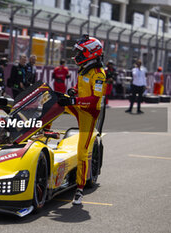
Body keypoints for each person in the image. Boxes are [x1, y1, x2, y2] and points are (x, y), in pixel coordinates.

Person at [57, 35, 106, 205]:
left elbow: (94, 99)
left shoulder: (99, 74)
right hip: (79, 106)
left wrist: (74, 101)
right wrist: (72, 91)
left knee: (82, 151)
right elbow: (80, 87)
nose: (77, 55)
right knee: (55, 101)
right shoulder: (85, 68)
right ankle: (41, 130)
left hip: (89, 114)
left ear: (91, 52)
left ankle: (79, 189)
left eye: (80, 51)